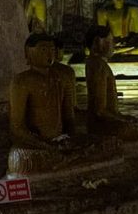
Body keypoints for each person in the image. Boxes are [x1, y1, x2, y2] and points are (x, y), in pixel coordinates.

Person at [8, 34, 116, 176]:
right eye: (43, 49)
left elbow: (69, 118)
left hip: (61, 141)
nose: (49, 53)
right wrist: (46, 145)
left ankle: (68, 159)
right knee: (21, 161)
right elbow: (17, 127)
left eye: (52, 49)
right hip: (37, 146)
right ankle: (67, 160)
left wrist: (69, 139)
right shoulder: (21, 82)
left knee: (110, 144)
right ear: (28, 53)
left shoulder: (62, 78)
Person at [85, 25, 138, 146]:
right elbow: (100, 110)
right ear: (99, 42)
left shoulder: (96, 63)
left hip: (104, 121)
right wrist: (122, 120)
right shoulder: (98, 66)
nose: (114, 45)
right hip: (102, 125)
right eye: (111, 41)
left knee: (134, 123)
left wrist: (122, 117)